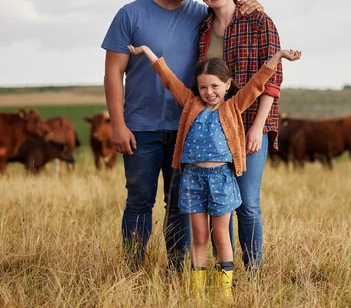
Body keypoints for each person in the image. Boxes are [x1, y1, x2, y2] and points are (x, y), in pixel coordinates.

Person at [101, 0, 263, 272]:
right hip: (140, 127)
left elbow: (225, 6)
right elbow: (112, 74)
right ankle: (134, 271)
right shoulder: (130, 13)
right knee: (139, 201)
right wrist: (117, 124)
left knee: (179, 206)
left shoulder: (198, 14)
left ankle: (176, 271)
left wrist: (250, 4)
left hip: (186, 128)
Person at [127, 43, 301, 299]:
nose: (209, 92)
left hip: (221, 179)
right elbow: (168, 79)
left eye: (215, 86)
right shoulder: (190, 104)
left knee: (220, 234)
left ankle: (225, 292)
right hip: (192, 179)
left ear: (227, 85)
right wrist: (148, 53)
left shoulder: (232, 108)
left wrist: (277, 57)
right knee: (198, 235)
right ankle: (197, 292)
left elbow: (256, 84)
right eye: (203, 87)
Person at [195, 0, 283, 271]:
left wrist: (257, 128)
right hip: (215, 130)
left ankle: (254, 270)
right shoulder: (204, 28)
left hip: (250, 126)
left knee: (247, 203)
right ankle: (226, 269)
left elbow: (272, 81)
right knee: (221, 205)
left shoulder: (259, 21)